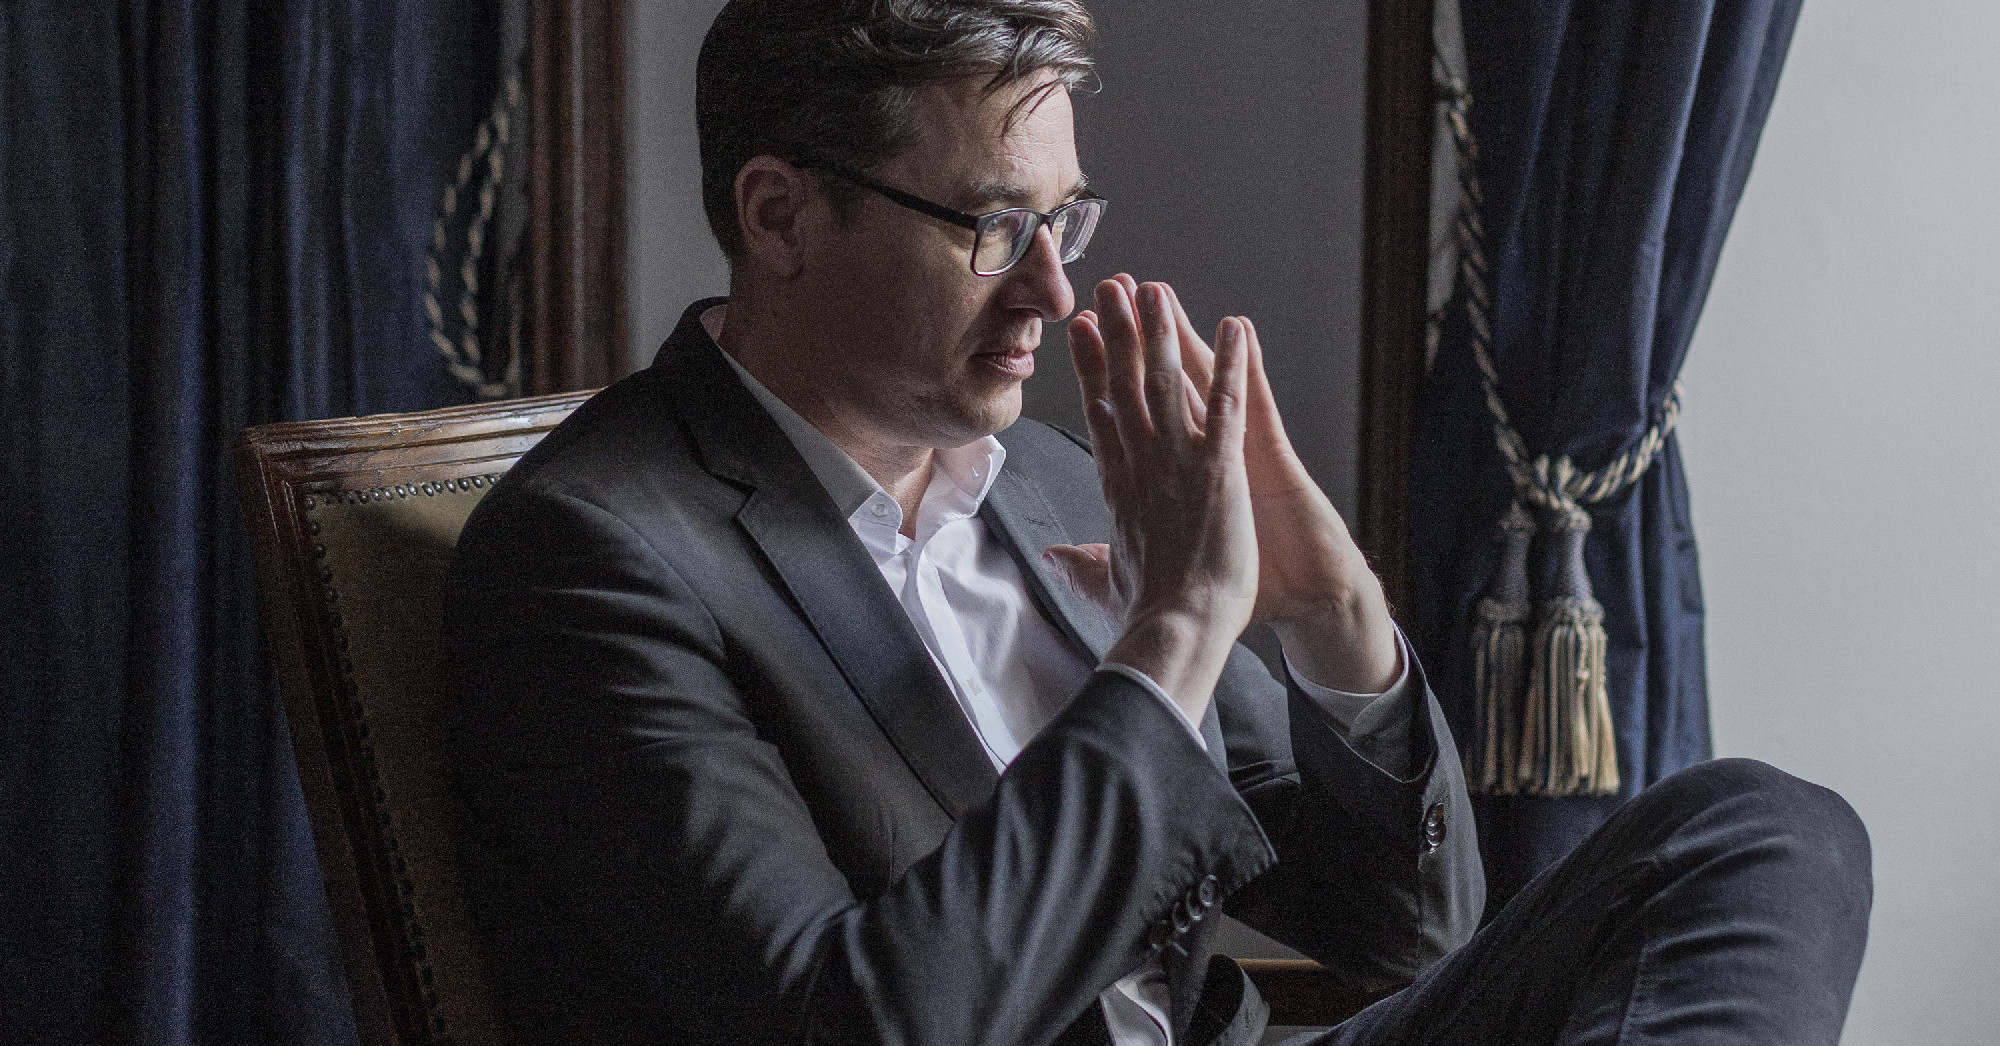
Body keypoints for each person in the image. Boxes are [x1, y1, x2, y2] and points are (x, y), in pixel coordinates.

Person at [442, 2, 1872, 1045]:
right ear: (779, 217)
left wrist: (1338, 628)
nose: (1053, 293)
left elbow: (1405, 930)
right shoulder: (594, 559)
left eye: (1065, 221)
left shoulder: (1051, 481)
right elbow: (861, 1020)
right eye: (993, 227)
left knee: (1765, 833)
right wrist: (1178, 631)